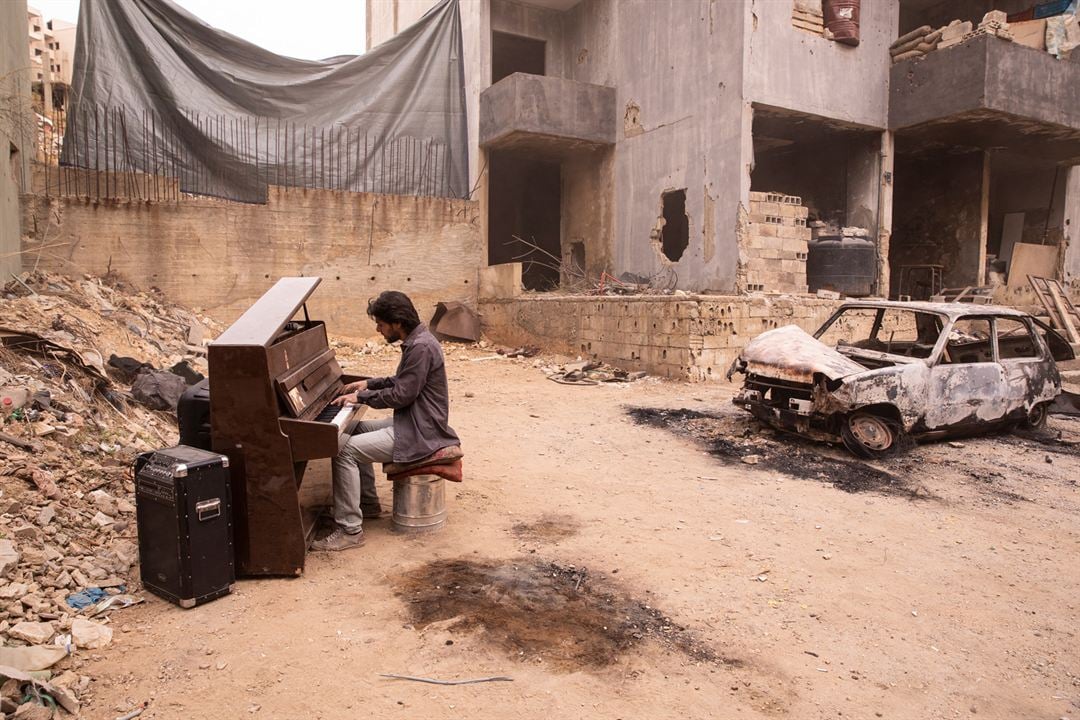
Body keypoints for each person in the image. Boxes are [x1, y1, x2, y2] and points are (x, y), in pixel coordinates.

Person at [310, 291, 460, 551]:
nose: (378, 330)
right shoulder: (418, 341)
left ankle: (349, 531)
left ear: (397, 322)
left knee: (343, 449)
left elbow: (402, 394)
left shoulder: (421, 347)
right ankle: (367, 505)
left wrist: (361, 397)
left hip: (420, 432)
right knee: (351, 430)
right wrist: (369, 383)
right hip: (414, 423)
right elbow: (402, 380)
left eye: (381, 324)